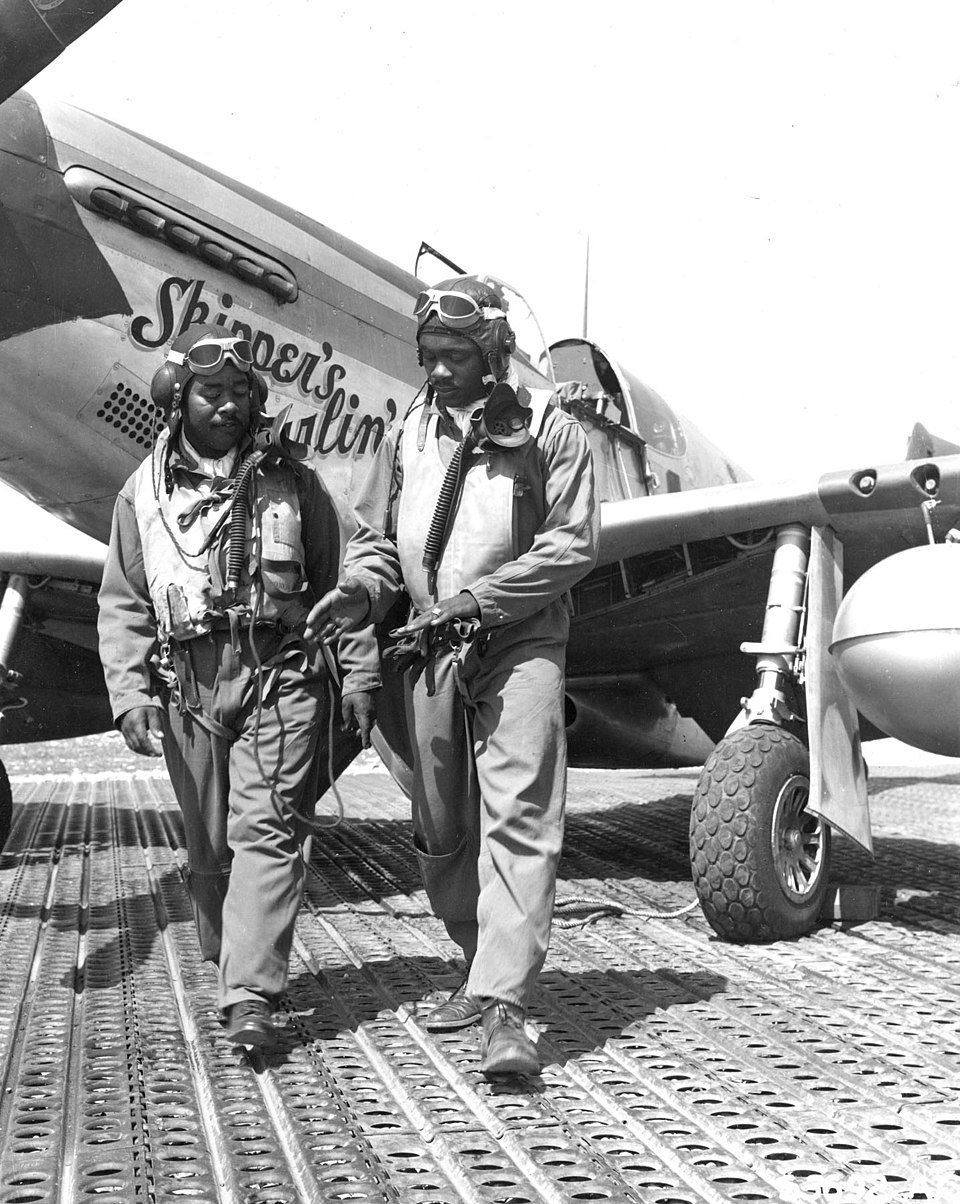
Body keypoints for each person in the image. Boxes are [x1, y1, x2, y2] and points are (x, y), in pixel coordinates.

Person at [307, 276, 599, 1076]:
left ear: (495, 351)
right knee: (440, 826)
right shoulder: (407, 432)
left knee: (519, 817)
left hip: (518, 643)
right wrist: (360, 589)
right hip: (427, 648)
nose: (438, 371)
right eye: (429, 356)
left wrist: (476, 603)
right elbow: (375, 536)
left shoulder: (552, 430)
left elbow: (571, 547)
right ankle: (479, 967)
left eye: (456, 355)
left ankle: (508, 1004)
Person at [97, 323, 344, 1048]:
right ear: (179, 400)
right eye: (212, 392)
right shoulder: (139, 494)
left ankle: (249, 997)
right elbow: (123, 601)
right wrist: (132, 695)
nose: (228, 405)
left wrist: (334, 668)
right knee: (209, 850)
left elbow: (332, 577)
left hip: (276, 673)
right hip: (190, 686)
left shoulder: (294, 481)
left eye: (240, 392)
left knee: (267, 832)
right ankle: (231, 956)